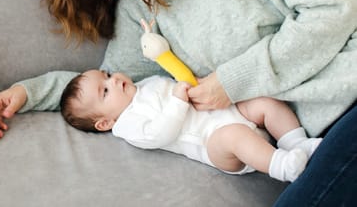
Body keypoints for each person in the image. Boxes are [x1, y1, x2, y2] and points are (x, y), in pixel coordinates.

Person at [0, 0, 357, 206]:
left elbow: (336, 6)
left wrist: (231, 81)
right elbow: (109, 83)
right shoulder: (138, 6)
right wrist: (29, 93)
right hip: (308, 137)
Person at [60, 69, 322, 182]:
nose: (114, 80)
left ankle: (295, 142)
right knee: (234, 135)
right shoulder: (126, 125)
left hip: (229, 111)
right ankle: (283, 166)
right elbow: (157, 135)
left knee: (263, 102)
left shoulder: (145, 83)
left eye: (107, 75)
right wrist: (177, 102)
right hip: (214, 144)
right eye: (105, 91)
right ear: (105, 123)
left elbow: (178, 83)